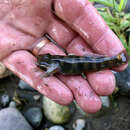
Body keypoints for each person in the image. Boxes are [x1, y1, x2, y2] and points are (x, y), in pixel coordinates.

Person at [0, 0, 128, 113]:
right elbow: (52, 65)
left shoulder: (54, 66)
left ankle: (117, 60)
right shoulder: (54, 62)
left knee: (98, 64)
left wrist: (45, 72)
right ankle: (116, 60)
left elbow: (51, 68)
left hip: (80, 62)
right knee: (97, 63)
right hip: (78, 61)